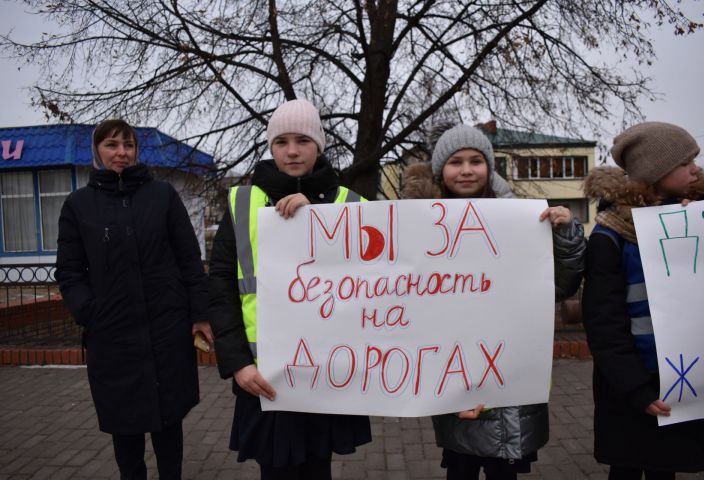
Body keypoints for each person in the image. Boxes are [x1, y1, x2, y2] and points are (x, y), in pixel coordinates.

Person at [401, 123, 586, 480]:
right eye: (456, 162)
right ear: (441, 170)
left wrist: (565, 236)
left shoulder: (524, 219)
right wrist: (448, 391)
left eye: (476, 161)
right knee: (461, 468)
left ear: (489, 166)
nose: (467, 170)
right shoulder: (419, 225)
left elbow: (558, 287)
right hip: (454, 378)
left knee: (505, 472)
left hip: (508, 379)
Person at [208, 98, 371, 479]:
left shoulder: (349, 205)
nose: (293, 151)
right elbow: (220, 288)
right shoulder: (242, 202)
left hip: (329, 374)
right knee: (275, 470)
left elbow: (385, 278)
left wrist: (316, 209)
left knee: (319, 470)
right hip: (265, 376)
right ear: (271, 146)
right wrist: (237, 364)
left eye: (303, 140)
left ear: (319, 145)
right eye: (282, 141)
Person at [55, 119, 213, 480]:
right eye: (112, 145)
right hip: (113, 338)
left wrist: (199, 313)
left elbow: (189, 258)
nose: (121, 153)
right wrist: (89, 313)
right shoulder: (79, 206)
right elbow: (69, 271)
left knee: (169, 423)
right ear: (97, 151)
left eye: (128, 145)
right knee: (125, 431)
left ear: (137, 151)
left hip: (166, 332)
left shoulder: (162, 196)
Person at [582, 121, 704, 480]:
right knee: (627, 468)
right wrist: (636, 390)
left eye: (694, 160)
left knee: (665, 468)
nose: (695, 169)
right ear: (654, 171)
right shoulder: (610, 236)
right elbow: (603, 324)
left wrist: (698, 224)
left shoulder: (702, 219)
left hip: (683, 379)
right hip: (631, 389)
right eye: (683, 162)